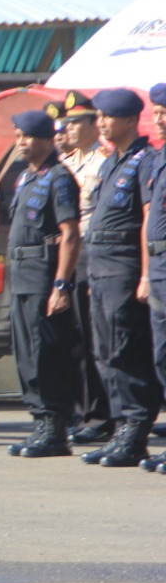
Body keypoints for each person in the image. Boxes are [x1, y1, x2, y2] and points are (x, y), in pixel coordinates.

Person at [80, 88, 157, 468]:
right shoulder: (112, 162)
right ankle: (121, 427)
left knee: (126, 348)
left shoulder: (144, 161)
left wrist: (145, 274)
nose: (101, 123)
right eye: (98, 117)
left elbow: (147, 221)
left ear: (128, 120)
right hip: (102, 267)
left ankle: (135, 431)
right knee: (105, 350)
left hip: (125, 266)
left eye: (107, 117)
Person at [4, 110, 81, 458]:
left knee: (45, 353)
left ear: (48, 140)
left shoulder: (59, 178)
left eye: (28, 136)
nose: (21, 142)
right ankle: (40, 422)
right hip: (22, 275)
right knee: (26, 355)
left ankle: (54, 428)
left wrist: (61, 285)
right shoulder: (26, 178)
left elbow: (69, 235)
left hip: (44, 276)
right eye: (18, 136)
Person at [58, 91, 114, 444]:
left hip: (94, 253)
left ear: (95, 124)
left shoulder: (104, 161)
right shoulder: (68, 162)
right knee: (74, 339)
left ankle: (100, 414)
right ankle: (81, 411)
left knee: (97, 339)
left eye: (77, 122)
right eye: (67, 123)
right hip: (71, 256)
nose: (70, 128)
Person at [139, 84, 166, 472]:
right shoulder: (159, 159)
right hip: (159, 266)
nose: (159, 117)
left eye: (164, 111)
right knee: (162, 354)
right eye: (157, 111)